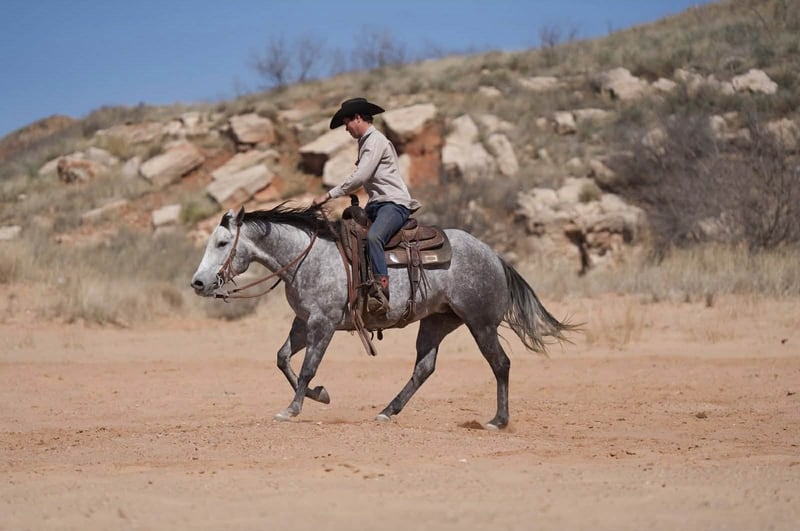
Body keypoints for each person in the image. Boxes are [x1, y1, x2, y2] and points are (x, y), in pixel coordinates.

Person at [312, 97, 421, 315]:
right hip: (377, 205)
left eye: (347, 123)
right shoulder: (365, 142)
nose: (346, 129)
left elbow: (361, 176)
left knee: (374, 237)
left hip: (394, 204)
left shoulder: (375, 140)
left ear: (358, 118)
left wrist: (329, 195)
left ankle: (381, 292)